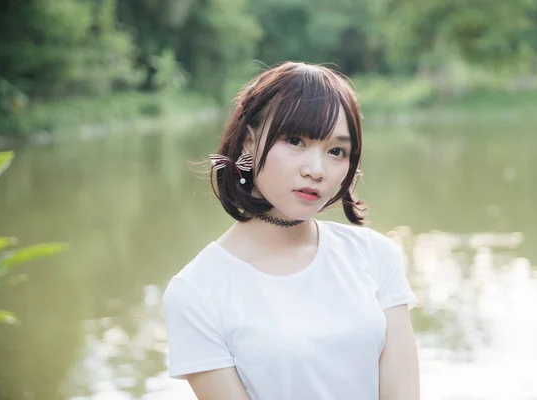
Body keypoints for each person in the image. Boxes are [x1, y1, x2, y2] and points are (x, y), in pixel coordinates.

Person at [163, 61, 420, 400]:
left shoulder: (374, 256)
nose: (316, 170)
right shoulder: (197, 291)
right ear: (248, 144)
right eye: (296, 140)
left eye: (337, 151)